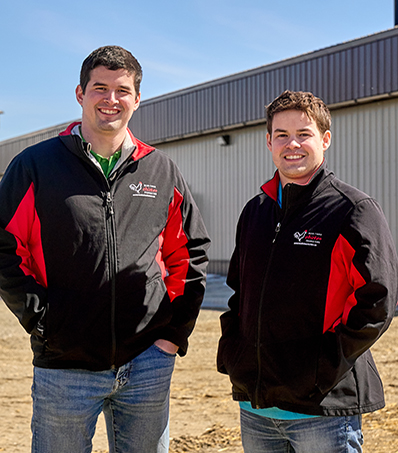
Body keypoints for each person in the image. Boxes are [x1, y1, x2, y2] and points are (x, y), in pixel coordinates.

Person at [0, 45, 210, 453]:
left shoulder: (160, 170)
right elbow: (5, 247)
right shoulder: (35, 166)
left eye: (122, 90)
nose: (110, 100)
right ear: (80, 94)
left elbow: (190, 251)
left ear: (137, 99)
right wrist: (43, 323)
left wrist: (172, 333)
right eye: (100, 88)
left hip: (147, 361)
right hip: (65, 365)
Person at [217, 90, 398, 452]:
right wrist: (235, 352)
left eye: (304, 134)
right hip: (257, 408)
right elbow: (240, 291)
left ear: (325, 139)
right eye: (281, 135)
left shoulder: (352, 210)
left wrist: (322, 365)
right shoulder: (256, 211)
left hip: (322, 411)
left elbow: (378, 301)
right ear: (269, 141)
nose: (292, 144)